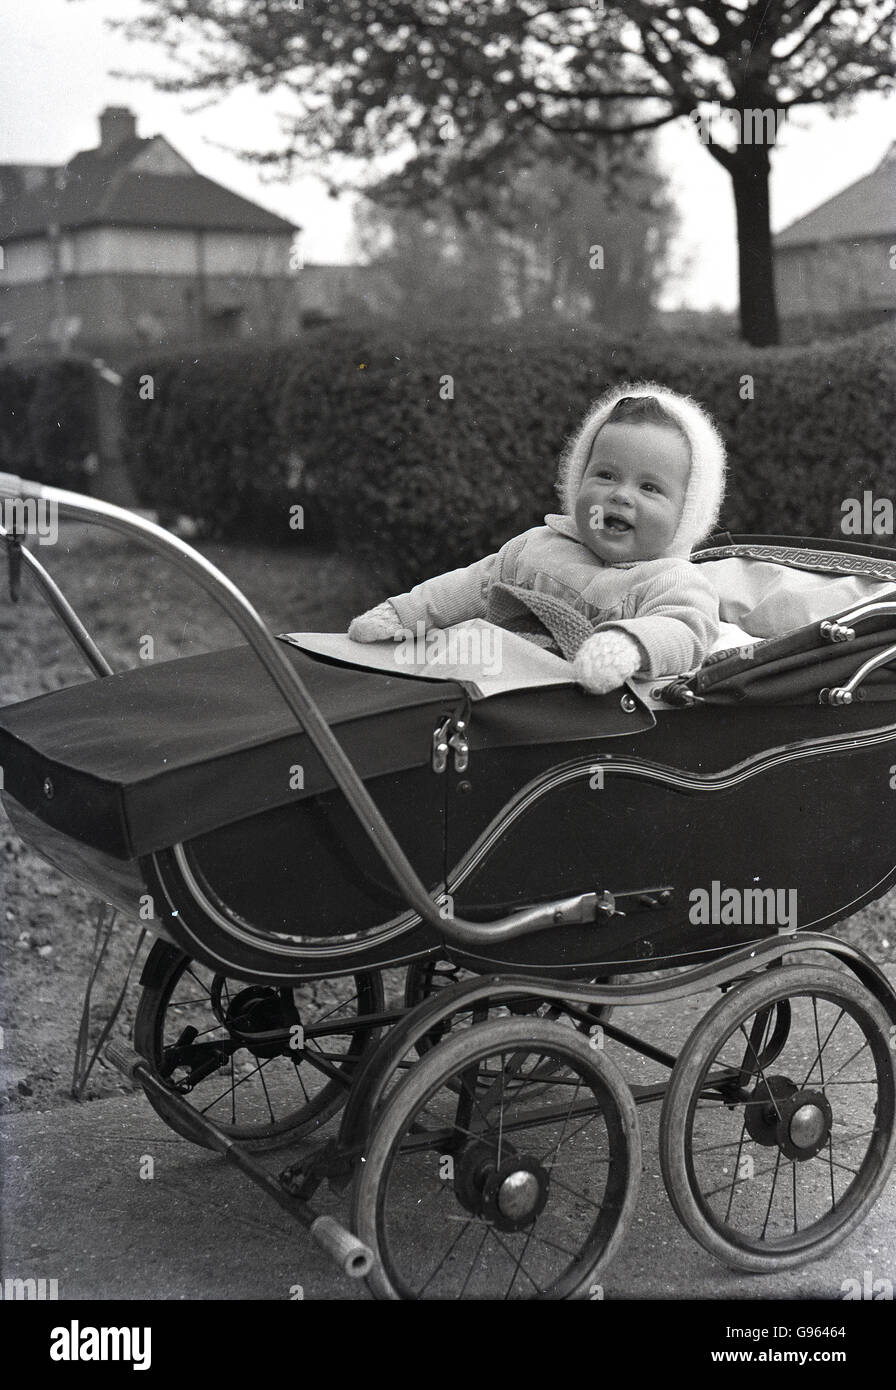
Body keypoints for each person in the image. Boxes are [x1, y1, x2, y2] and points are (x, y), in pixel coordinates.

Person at [348, 382, 726, 694]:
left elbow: (685, 631)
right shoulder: (537, 547)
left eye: (649, 487)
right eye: (606, 476)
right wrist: (404, 613)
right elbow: (472, 585)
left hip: (589, 730)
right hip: (498, 700)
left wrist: (627, 645)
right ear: (578, 480)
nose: (621, 495)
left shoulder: (671, 580)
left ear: (687, 512)